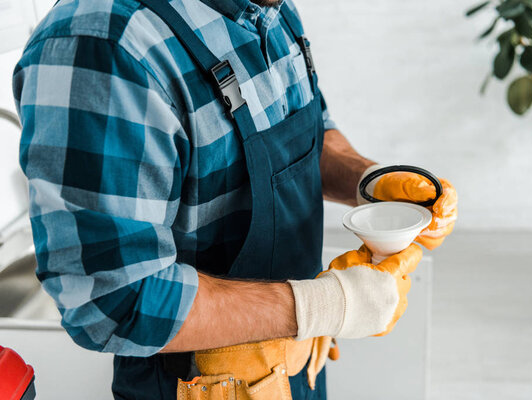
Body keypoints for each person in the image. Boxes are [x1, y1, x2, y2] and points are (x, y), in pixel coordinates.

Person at [12, 0, 457, 398]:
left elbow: (308, 136)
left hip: (301, 362)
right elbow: (115, 300)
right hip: (197, 388)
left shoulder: (270, 12)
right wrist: (327, 305)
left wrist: (369, 179)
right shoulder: (106, 44)